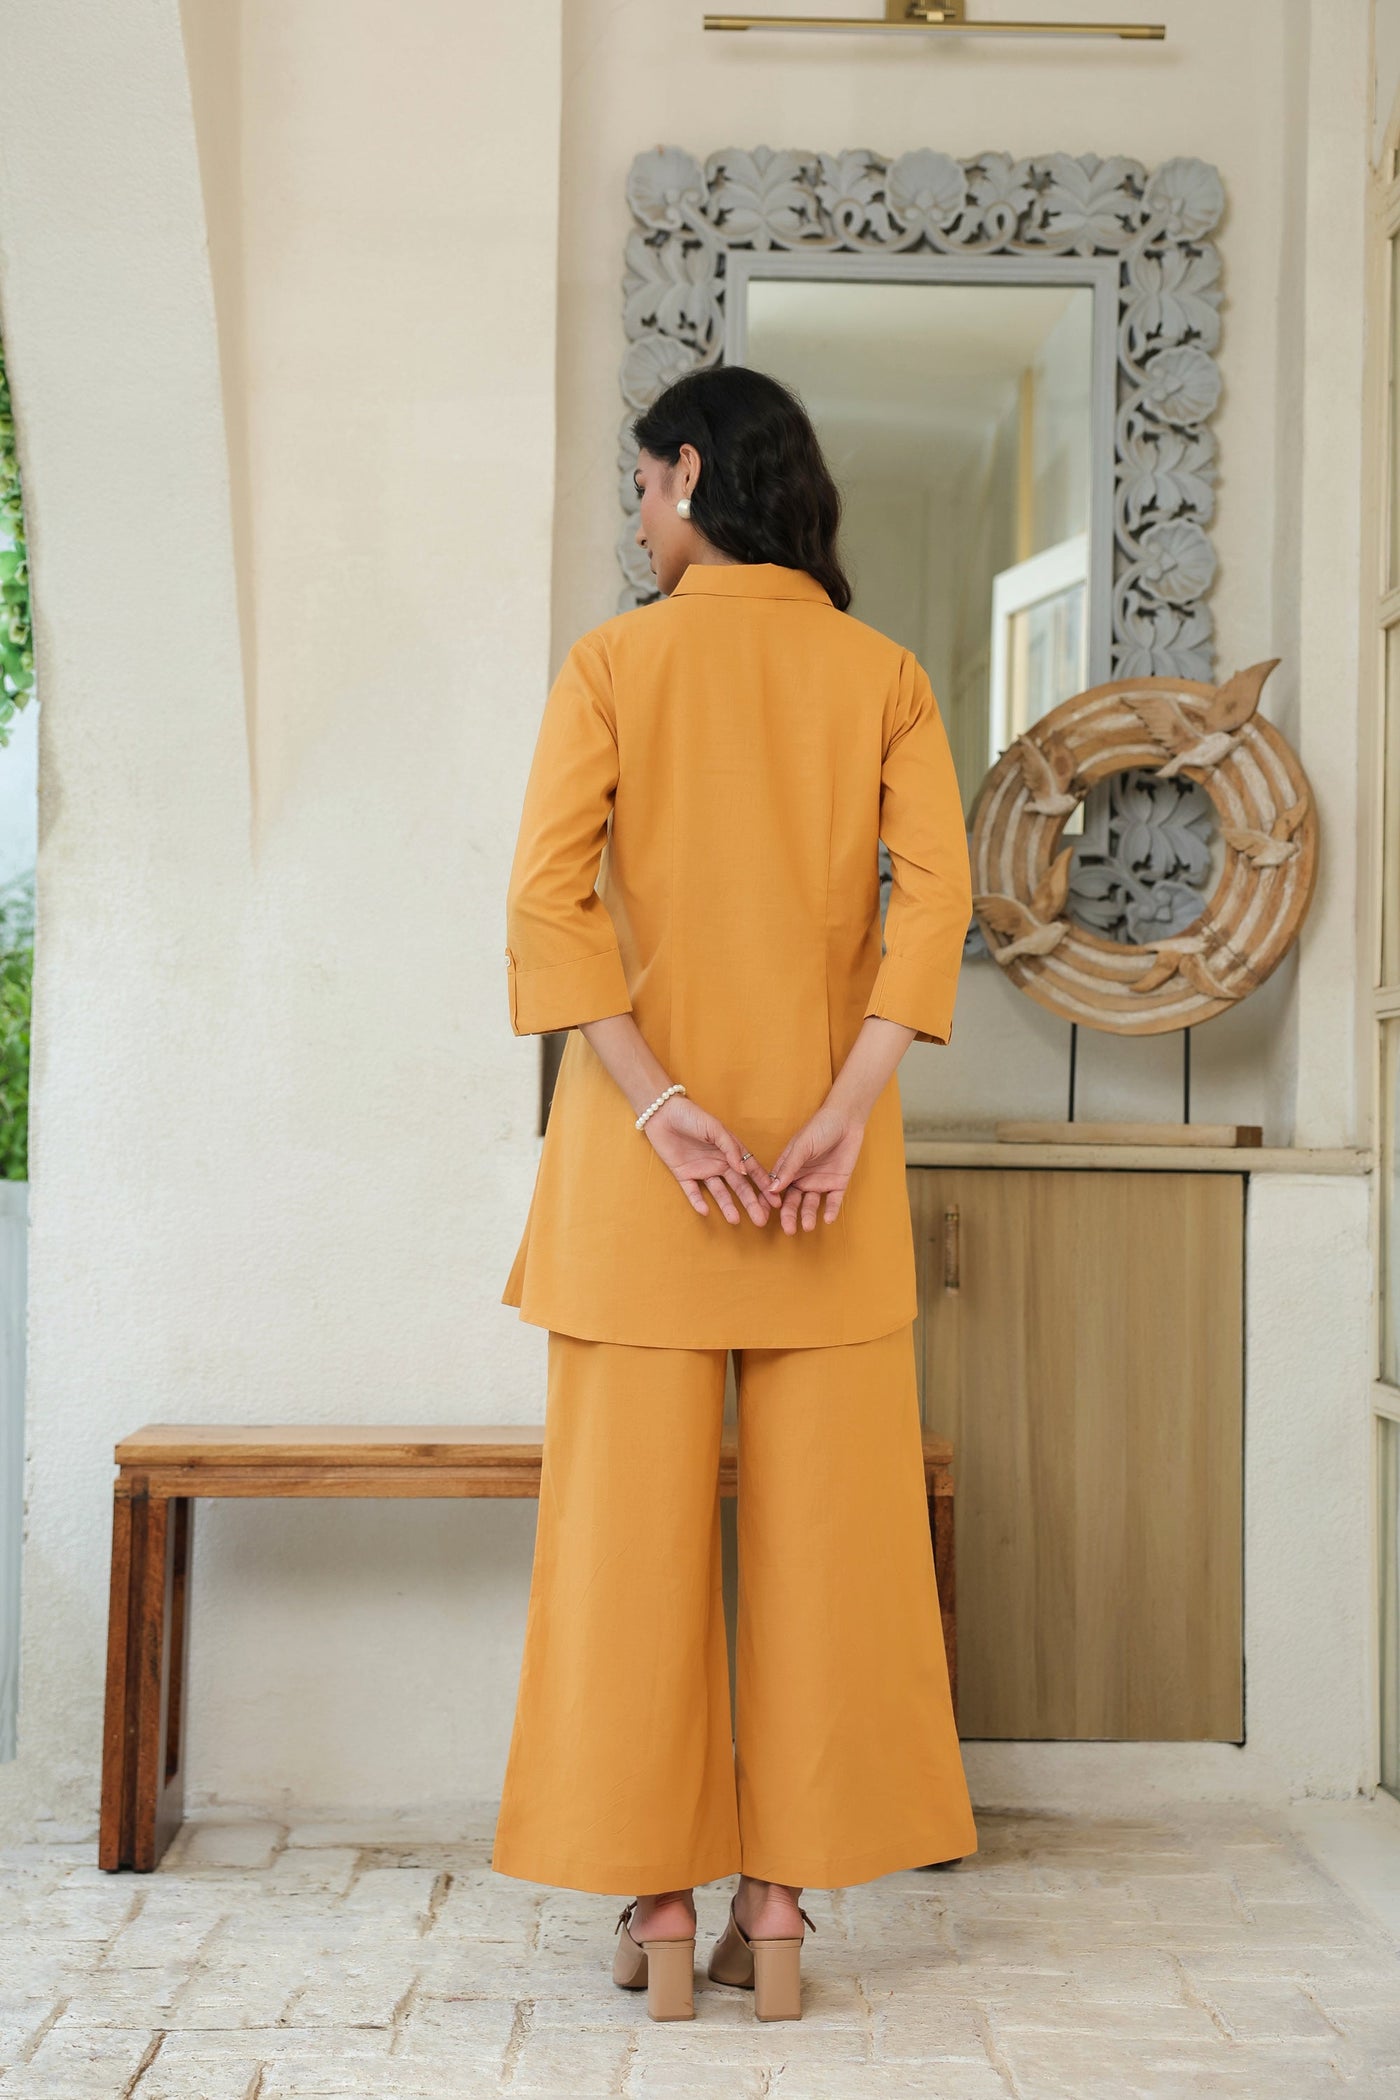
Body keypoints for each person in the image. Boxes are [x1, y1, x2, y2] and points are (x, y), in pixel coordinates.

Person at [491, 364, 978, 2023]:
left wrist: (661, 1106)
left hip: (646, 1180)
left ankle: (655, 1900)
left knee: (625, 1554)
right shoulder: (883, 674)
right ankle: (778, 1908)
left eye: (642, 488)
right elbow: (933, 911)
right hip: (824, 1188)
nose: (640, 520)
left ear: (691, 474)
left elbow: (548, 904)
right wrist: (841, 1112)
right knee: (833, 1556)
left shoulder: (614, 663)